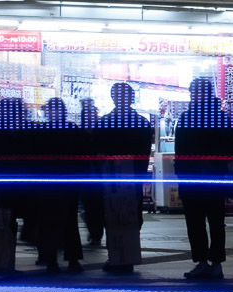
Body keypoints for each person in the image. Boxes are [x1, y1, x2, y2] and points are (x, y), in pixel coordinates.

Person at [175, 77, 233, 279]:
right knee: (205, 221)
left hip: (200, 177)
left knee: (204, 221)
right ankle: (209, 262)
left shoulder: (190, 118)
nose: (196, 96)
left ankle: (207, 262)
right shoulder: (218, 117)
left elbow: (181, 151)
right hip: (207, 177)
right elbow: (230, 148)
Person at [93, 83, 153, 274]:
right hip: (130, 177)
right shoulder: (141, 122)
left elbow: (98, 153)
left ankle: (118, 256)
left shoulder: (105, 122)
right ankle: (127, 255)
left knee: (113, 216)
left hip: (112, 178)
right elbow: (143, 154)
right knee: (130, 216)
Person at [34, 98, 84, 273]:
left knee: (49, 222)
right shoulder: (73, 130)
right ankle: (72, 259)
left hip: (48, 184)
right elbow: (82, 157)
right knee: (69, 222)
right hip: (68, 183)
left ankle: (51, 259)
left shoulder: (41, 131)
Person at [0, 98, 31, 277]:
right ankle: (2, 265)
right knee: (3, 225)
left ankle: (7, 264)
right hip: (2, 187)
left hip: (10, 186)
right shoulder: (0, 132)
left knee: (8, 224)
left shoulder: (6, 131)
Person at [79, 98, 105, 246]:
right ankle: (95, 233)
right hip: (86, 176)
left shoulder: (100, 134)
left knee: (97, 207)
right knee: (90, 207)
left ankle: (96, 233)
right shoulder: (80, 135)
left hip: (99, 175)